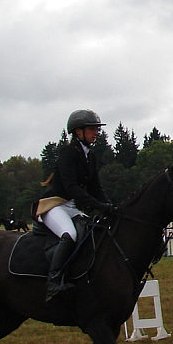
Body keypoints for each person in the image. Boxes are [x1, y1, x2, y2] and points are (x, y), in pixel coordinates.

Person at [37, 109, 114, 301]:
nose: (96, 132)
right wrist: (98, 205)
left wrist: (111, 207)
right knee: (69, 235)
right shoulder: (68, 152)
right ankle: (53, 282)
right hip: (54, 206)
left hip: (71, 208)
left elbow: (96, 187)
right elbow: (71, 187)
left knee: (92, 233)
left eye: (97, 129)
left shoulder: (91, 156)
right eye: (92, 129)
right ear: (78, 132)